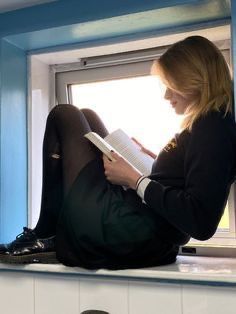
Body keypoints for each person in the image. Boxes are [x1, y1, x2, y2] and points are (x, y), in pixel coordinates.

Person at [0, 35, 235, 269]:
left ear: (193, 80)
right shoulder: (210, 124)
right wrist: (153, 163)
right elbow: (189, 180)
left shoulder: (214, 125)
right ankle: (48, 234)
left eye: (171, 85)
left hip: (137, 233)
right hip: (144, 227)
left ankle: (45, 232)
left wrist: (135, 179)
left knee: (65, 115)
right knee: (88, 115)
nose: (166, 95)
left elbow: (200, 221)